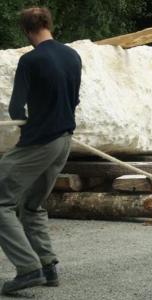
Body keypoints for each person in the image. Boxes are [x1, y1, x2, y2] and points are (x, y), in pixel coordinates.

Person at [0, 7, 82, 295]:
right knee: (32, 205)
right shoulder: (73, 56)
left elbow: (15, 108)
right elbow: (75, 99)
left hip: (39, 143)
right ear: (50, 24)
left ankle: (28, 269)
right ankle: (48, 268)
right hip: (64, 142)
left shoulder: (30, 60)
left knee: (1, 202)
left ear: (26, 30)